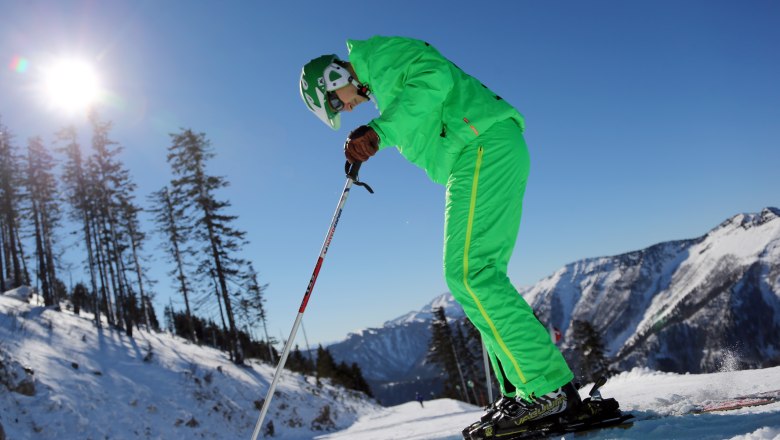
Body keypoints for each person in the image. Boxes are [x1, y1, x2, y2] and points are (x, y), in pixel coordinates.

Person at [299, 36, 580, 430]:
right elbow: (416, 110)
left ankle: (547, 390)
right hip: (476, 153)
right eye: (337, 110)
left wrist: (378, 131)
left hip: (480, 146)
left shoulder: (379, 58)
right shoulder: (380, 83)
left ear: (332, 77)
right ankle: (524, 389)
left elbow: (434, 79)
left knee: (470, 273)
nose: (344, 108)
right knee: (475, 277)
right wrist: (378, 132)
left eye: (334, 102)